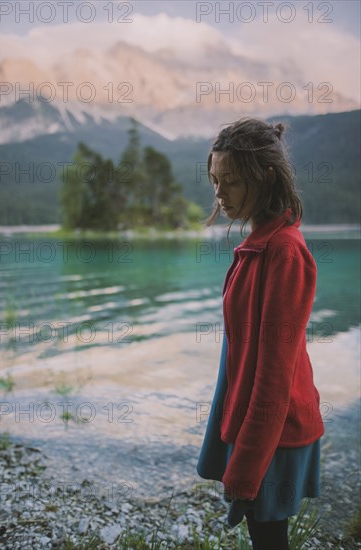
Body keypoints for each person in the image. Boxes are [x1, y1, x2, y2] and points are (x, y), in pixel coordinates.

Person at [196, 117, 325, 550]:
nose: (219, 193)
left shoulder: (285, 252)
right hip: (255, 425)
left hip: (275, 433)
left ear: (265, 176)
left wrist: (247, 464)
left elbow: (274, 375)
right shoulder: (258, 244)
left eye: (230, 181)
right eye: (216, 180)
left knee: (270, 542)